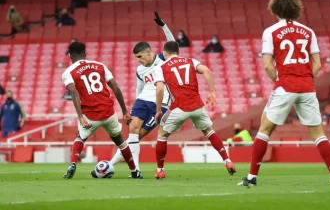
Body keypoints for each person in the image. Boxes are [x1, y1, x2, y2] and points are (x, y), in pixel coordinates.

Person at [237, 0, 330, 187]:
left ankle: (252, 178)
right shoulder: (308, 32)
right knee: (318, 134)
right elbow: (318, 64)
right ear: (296, 9)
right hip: (307, 87)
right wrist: (304, 78)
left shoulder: (270, 32)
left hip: (285, 85)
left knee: (265, 129)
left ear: (274, 10)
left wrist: (279, 80)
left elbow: (268, 66)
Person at [153, 41, 236, 179]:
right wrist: (212, 92)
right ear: (178, 52)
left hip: (178, 107)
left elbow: (160, 88)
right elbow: (207, 71)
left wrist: (158, 110)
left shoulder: (161, 66)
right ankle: (227, 161)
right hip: (197, 106)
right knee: (209, 131)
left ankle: (160, 170)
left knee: (162, 135)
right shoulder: (191, 61)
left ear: (164, 53)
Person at [103, 12, 173, 174]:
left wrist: (163, 26)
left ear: (149, 52)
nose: (139, 60)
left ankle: (111, 164)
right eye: (136, 58)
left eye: (140, 56)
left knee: (137, 136)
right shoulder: (140, 70)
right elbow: (139, 88)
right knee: (133, 130)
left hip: (160, 104)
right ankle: (136, 170)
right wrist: (132, 107)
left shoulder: (163, 59)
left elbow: (172, 43)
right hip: (142, 101)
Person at [61, 41, 142, 179]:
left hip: (90, 115)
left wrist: (80, 116)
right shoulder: (100, 66)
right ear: (85, 54)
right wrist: (124, 111)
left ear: (71, 56)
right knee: (121, 142)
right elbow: (115, 88)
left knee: (80, 138)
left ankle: (73, 164)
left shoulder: (68, 72)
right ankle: (134, 171)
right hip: (108, 113)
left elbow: (73, 93)